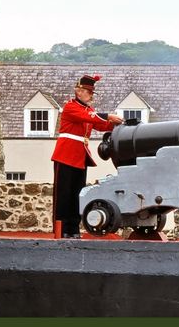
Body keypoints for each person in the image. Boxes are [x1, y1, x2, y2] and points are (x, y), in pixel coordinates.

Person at [50, 74, 123, 238]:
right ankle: (61, 229)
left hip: (80, 156)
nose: (89, 95)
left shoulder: (87, 110)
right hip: (66, 154)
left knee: (77, 194)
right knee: (63, 195)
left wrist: (117, 125)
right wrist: (108, 116)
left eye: (91, 92)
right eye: (86, 91)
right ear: (78, 91)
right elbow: (91, 117)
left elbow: (100, 123)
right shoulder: (70, 107)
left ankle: (73, 229)